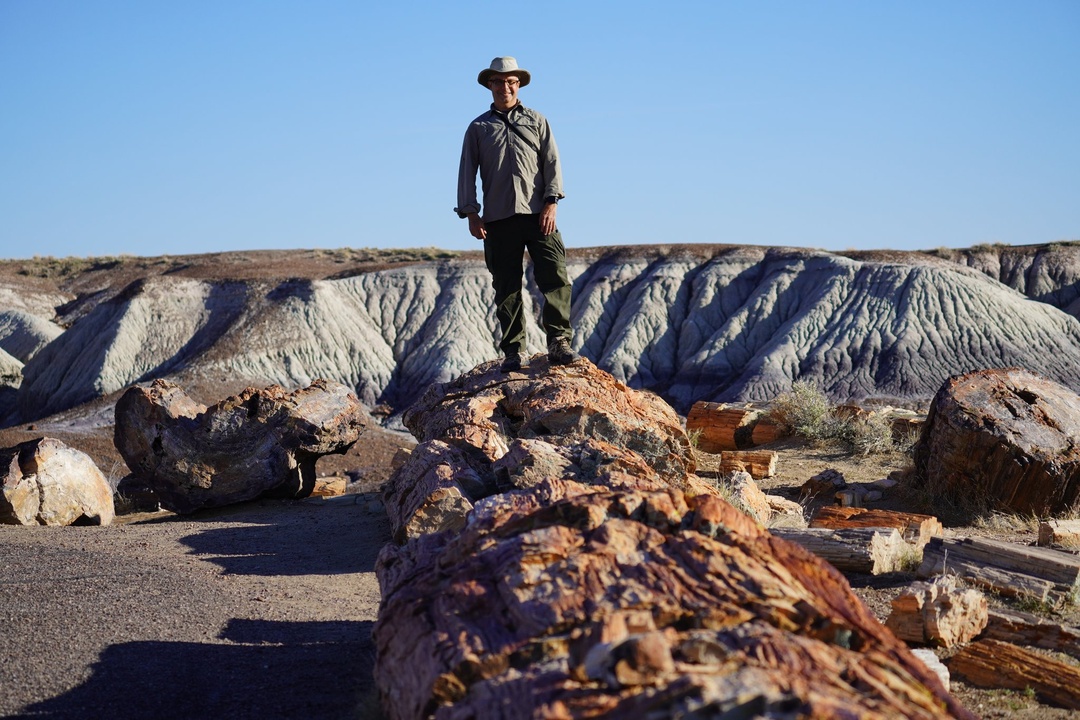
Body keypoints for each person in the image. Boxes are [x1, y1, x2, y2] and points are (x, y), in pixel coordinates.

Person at [455, 56, 579, 372]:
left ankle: (559, 343)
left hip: (539, 214)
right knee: (506, 286)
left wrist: (552, 202)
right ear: (490, 85)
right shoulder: (478, 128)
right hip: (498, 219)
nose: (505, 87)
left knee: (555, 277)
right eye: (499, 81)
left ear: (518, 84)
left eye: (511, 81)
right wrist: (471, 213)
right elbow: (467, 171)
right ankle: (514, 351)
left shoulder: (537, 121)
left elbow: (552, 162)